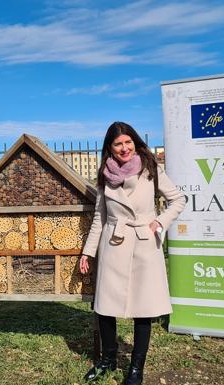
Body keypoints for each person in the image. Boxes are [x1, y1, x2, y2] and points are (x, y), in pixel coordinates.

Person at [79, 122, 185, 385]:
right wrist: (88, 252)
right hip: (113, 244)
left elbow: (178, 199)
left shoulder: (151, 168)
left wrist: (159, 223)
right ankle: (108, 360)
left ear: (134, 143)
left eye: (128, 142)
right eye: (118, 144)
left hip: (144, 244)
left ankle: (136, 368)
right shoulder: (105, 175)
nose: (124, 148)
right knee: (104, 308)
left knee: (144, 308)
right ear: (110, 148)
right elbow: (99, 217)